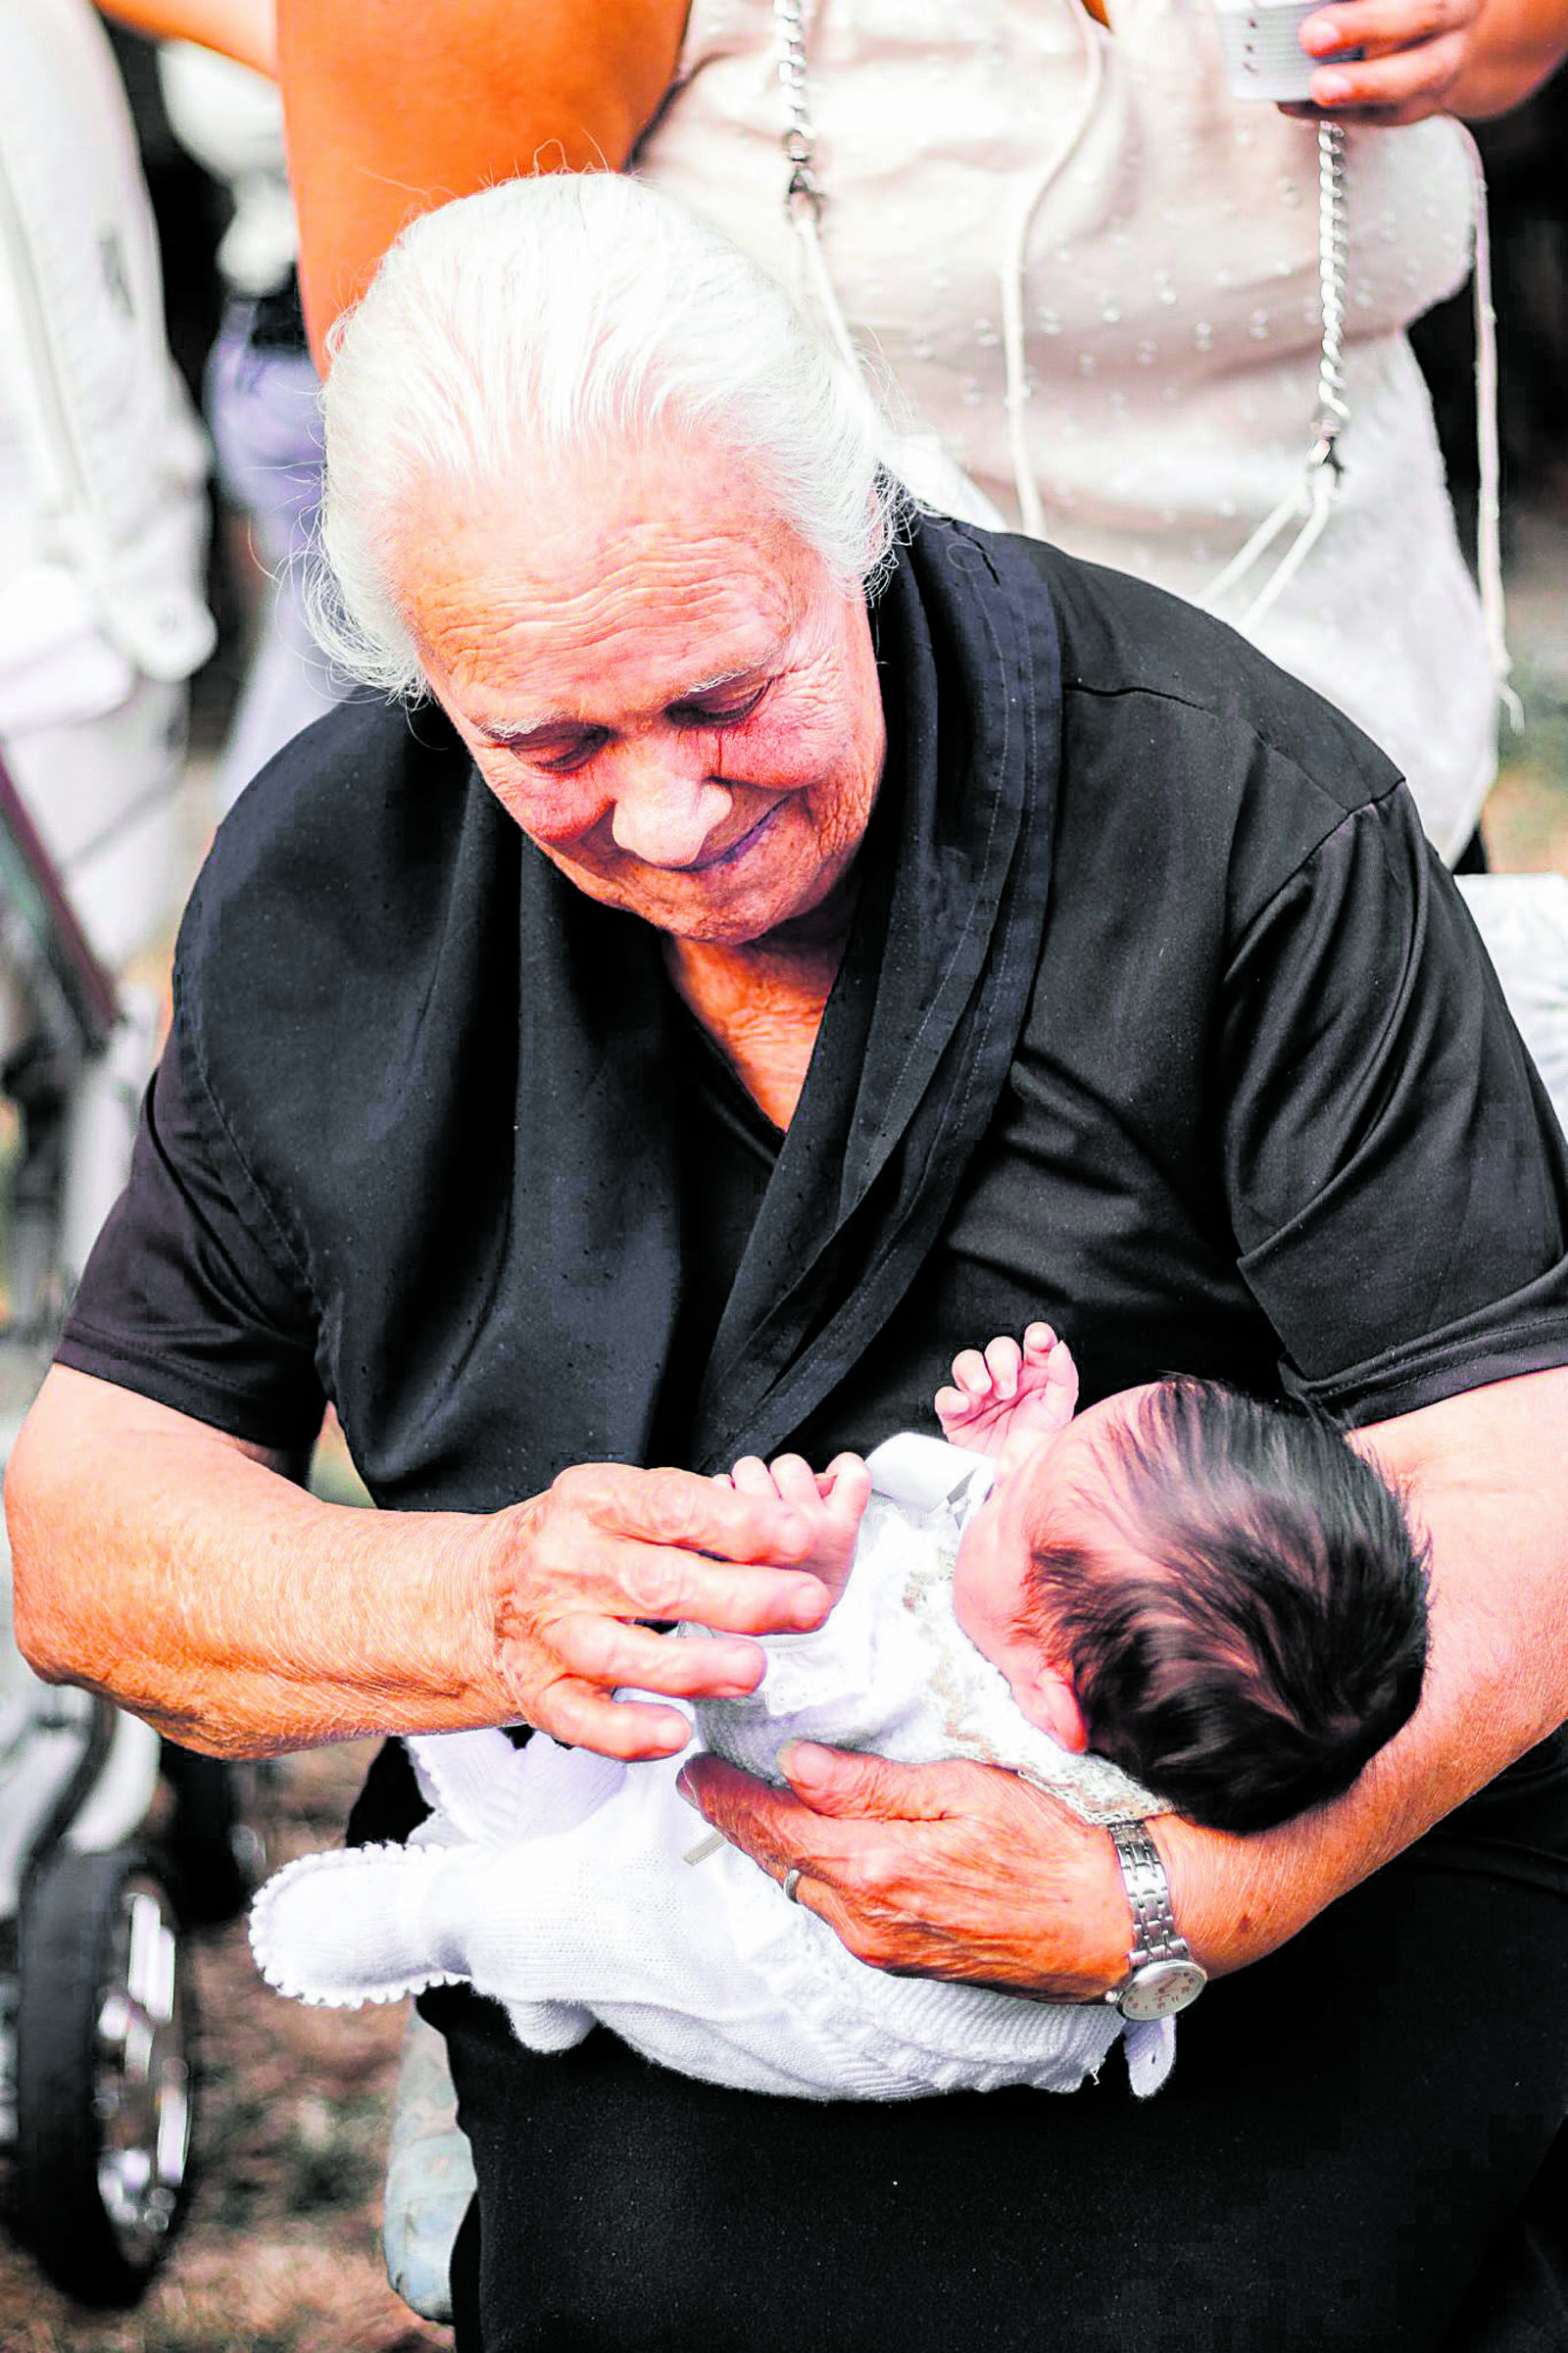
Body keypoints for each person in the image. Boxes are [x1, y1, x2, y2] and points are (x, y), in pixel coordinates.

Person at [6, 175, 1566, 2352]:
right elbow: (88, 1535)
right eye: (547, 741)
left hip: (1286, 1820)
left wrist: (1177, 1894)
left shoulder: (1227, 811)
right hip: (685, 1890)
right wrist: (479, 1605)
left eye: (722, 694)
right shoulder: (329, 898)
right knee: (679, 2297)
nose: (661, 817)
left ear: (854, 526)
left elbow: (1515, 1476)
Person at [273, 0, 1568, 864]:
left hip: (1379, 790)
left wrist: (1483, 31)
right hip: (863, 886)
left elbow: (1519, 30)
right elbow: (450, 472)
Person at [247, 1325, 1430, 2108]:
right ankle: (542, 1806)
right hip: (873, 1881)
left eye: (1016, 1504)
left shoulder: (957, 1729)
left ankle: (460, 1920)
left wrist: (797, 1603)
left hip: (797, 1980)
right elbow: (1046, 1565)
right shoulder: (1149, 1695)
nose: (1001, 1489)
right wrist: (1018, 1455)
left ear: (1046, 1702)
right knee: (636, 1772)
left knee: (613, 1902)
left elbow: (771, 1752)